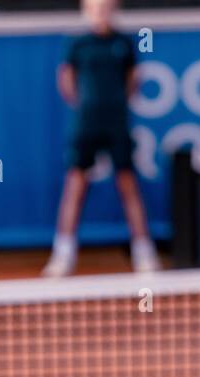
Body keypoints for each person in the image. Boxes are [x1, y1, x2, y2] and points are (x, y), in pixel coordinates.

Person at [43, 0, 160, 278]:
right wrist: (88, 106)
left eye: (106, 6)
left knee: (128, 185)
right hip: (86, 125)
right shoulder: (77, 44)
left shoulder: (125, 44)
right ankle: (63, 255)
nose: (101, 12)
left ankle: (144, 254)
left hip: (117, 125)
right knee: (75, 186)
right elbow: (67, 81)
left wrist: (114, 105)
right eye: (96, 7)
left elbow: (133, 80)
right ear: (86, 9)